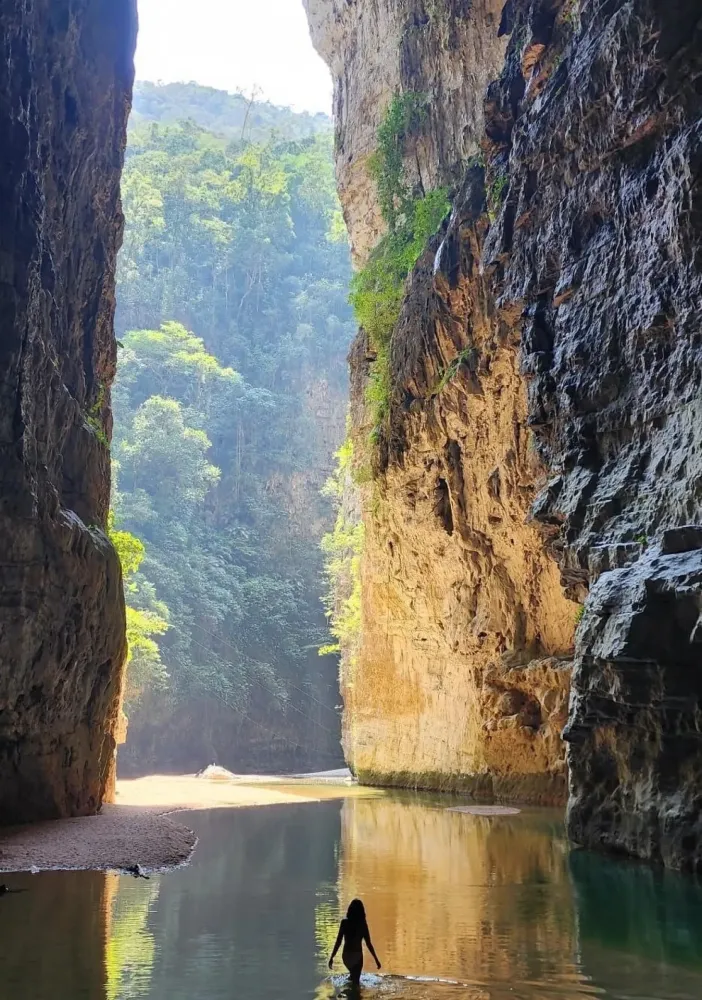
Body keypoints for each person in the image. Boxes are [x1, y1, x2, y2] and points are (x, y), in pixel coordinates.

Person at [328, 898, 381, 986]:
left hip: (346, 957)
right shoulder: (362, 925)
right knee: (356, 984)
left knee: (352, 977)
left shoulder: (344, 923)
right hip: (357, 957)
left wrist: (332, 957)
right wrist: (376, 959)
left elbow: (338, 942)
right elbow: (368, 944)